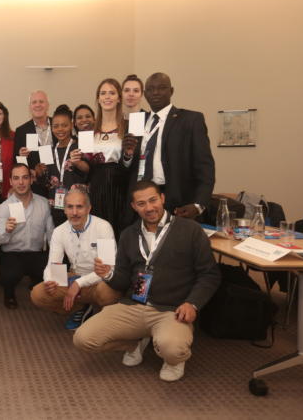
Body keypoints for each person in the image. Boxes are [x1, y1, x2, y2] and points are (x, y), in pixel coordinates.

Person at [73, 181, 221, 382]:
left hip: (171, 310)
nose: (149, 208)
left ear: (162, 199)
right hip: (134, 305)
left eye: (153, 200)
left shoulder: (190, 230)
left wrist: (192, 303)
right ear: (134, 206)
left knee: (173, 350)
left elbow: (210, 275)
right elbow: (122, 281)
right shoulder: (128, 234)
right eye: (141, 203)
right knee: (83, 339)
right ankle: (134, 345)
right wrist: (108, 274)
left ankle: (173, 360)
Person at [126, 72, 215, 218]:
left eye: (161, 88)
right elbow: (129, 165)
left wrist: (199, 204)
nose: (155, 92)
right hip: (141, 200)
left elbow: (205, 167)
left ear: (171, 91)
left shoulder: (191, 120)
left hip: (177, 201)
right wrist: (127, 156)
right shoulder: (137, 121)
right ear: (145, 94)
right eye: (150, 89)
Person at [30, 189, 120, 329]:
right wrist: (49, 280)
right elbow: (53, 264)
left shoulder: (103, 227)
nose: (74, 212)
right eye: (70, 207)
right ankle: (80, 307)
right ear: (64, 209)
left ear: (88, 208)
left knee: (106, 293)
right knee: (38, 294)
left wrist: (79, 283)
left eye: (79, 207)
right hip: (75, 276)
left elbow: (109, 269)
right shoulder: (59, 231)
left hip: (99, 280)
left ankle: (101, 313)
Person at [0, 164, 54, 309]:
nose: (21, 182)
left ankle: (36, 281)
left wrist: (55, 260)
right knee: (8, 275)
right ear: (10, 182)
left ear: (31, 179)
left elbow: (51, 233)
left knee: (50, 272)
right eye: (16, 178)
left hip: (36, 253)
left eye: (25, 177)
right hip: (12, 253)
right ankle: (9, 293)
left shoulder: (43, 203)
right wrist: (6, 230)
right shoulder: (4, 207)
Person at [88, 78, 132, 237]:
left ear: (119, 98)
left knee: (119, 232)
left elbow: (133, 164)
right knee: (98, 234)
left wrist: (128, 155)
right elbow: (85, 166)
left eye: (112, 93)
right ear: (98, 98)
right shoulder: (89, 129)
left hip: (120, 187)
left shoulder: (128, 126)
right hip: (96, 187)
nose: (107, 97)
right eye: (103, 93)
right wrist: (76, 160)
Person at [34, 105, 88, 226]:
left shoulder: (80, 147)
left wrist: (78, 163)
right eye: (56, 126)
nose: (60, 129)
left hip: (77, 207)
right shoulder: (48, 151)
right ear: (51, 128)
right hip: (56, 208)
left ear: (71, 125)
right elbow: (45, 183)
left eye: (64, 125)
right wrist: (39, 172)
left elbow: (88, 171)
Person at [13, 90, 53, 197]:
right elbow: (16, 162)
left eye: (41, 101)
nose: (38, 105)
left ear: (48, 105)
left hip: (58, 183)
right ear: (30, 107)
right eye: (34, 102)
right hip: (35, 187)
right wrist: (22, 156)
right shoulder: (21, 131)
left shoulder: (58, 125)